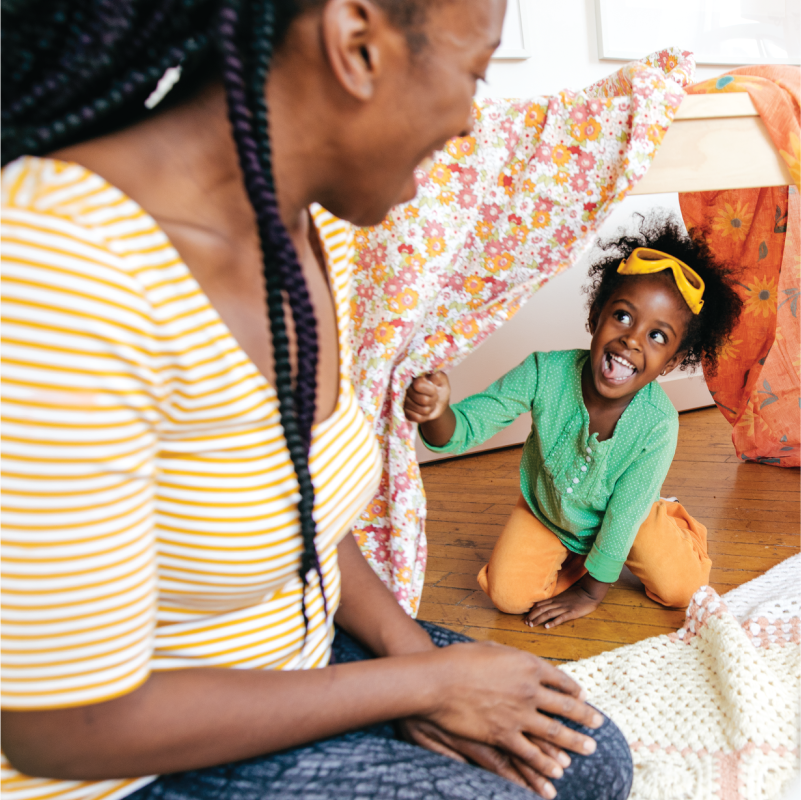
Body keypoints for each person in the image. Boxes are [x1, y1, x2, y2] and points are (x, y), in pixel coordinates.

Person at [0, 2, 634, 800]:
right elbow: (58, 726)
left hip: (288, 665)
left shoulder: (302, 229)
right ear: (356, 42)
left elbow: (294, 510)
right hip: (120, 766)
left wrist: (422, 662)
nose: (470, 121)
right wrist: (424, 689)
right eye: (473, 71)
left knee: (587, 759)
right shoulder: (54, 271)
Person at [405, 214, 743, 627]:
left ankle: (666, 519)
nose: (632, 339)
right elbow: (465, 430)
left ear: (671, 362)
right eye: (622, 316)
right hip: (548, 512)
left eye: (657, 336)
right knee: (508, 596)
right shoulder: (543, 372)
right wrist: (436, 412)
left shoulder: (658, 423)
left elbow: (622, 517)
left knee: (681, 590)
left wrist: (590, 593)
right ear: (595, 317)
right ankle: (585, 555)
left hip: (629, 519)